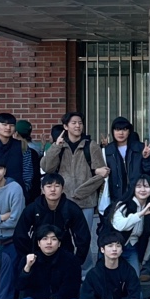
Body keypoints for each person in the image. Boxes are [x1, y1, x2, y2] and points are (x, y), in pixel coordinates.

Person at [39, 111, 108, 264]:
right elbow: (47, 168)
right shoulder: (60, 146)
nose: (78, 126)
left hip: (85, 201)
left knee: (84, 238)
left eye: (80, 123)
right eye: (74, 123)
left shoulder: (91, 146)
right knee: (61, 236)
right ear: (65, 126)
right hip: (61, 200)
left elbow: (102, 173)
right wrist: (55, 147)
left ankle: (85, 270)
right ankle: (65, 268)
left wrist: (81, 191)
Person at [7, 224, 82, 299]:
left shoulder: (70, 260)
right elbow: (19, 286)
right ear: (38, 243)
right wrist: (27, 267)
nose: (49, 242)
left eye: (53, 239)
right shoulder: (30, 259)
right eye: (44, 239)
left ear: (59, 243)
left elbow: (71, 288)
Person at [14, 173, 92, 260]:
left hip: (65, 254)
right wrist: (27, 256)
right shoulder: (33, 208)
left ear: (62, 189)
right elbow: (19, 234)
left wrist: (77, 260)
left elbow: (83, 236)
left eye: (57, 186)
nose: (53, 189)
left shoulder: (71, 208)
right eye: (49, 186)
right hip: (37, 255)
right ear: (42, 189)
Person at [105, 175, 150, 281]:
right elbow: (120, 225)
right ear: (133, 188)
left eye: (146, 186)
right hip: (115, 247)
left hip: (133, 248)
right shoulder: (123, 204)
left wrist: (144, 259)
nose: (143, 190)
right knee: (113, 280)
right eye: (138, 186)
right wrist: (140, 214)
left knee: (133, 280)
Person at [101, 116, 150, 209]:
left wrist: (146, 158)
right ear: (113, 131)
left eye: (124, 129)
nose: (121, 133)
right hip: (115, 198)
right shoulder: (107, 151)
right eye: (117, 129)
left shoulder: (140, 148)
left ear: (129, 131)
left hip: (139, 196)